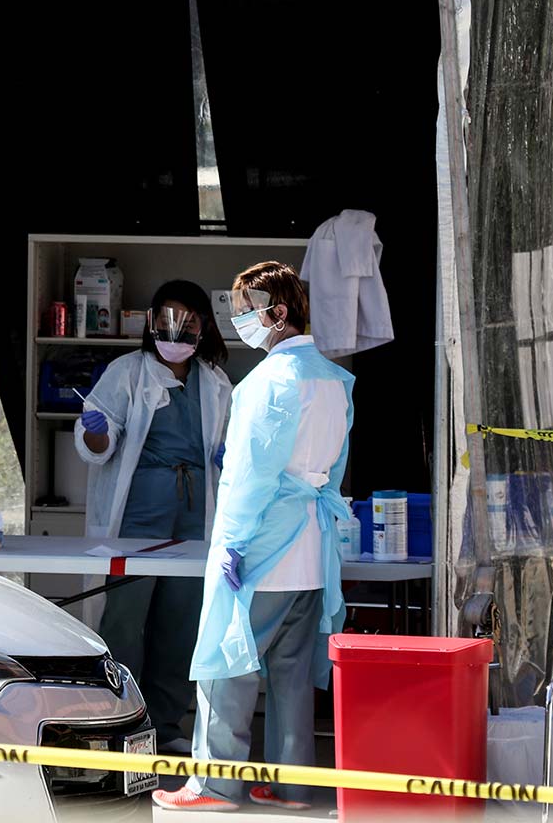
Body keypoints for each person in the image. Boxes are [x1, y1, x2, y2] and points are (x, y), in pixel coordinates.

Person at [154, 261, 353, 812]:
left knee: (227, 664)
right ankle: (291, 786)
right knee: (291, 676)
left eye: (245, 310)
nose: (238, 320)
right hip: (312, 549)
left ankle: (215, 785)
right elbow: (333, 473)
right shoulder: (336, 381)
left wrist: (232, 544)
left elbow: (248, 476)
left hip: (264, 548)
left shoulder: (267, 382)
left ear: (278, 313)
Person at [73, 280, 235, 753]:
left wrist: (229, 456)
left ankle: (165, 725)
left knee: (181, 620)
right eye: (167, 320)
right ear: (151, 322)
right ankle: (118, 721)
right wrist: (95, 431)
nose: (176, 332)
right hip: (138, 512)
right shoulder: (127, 372)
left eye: (188, 323)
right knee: (125, 618)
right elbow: (97, 448)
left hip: (193, 513)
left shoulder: (215, 381)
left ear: (203, 327)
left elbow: (224, 449)